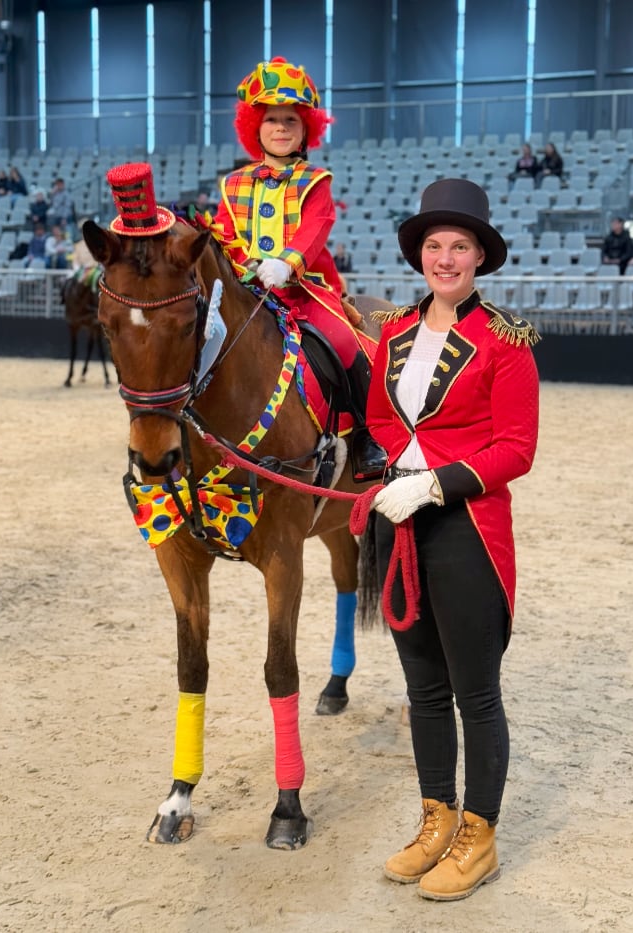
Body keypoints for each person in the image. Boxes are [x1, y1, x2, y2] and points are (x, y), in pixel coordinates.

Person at [366, 178, 540, 902]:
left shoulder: (506, 341)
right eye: (434, 245)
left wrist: (435, 482)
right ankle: (437, 819)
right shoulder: (392, 332)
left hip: (467, 527)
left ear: (479, 257)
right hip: (398, 522)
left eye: (459, 246)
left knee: (476, 693)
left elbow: (517, 448)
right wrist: (392, 473)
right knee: (424, 688)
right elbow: (381, 417)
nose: (445, 258)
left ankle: (480, 836)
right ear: (420, 255)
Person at [208, 55, 385, 481]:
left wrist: (287, 265)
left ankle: (369, 437)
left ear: (307, 129)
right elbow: (224, 234)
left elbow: (316, 227)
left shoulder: (316, 180)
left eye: (291, 119)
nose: (281, 127)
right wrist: (248, 266)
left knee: (346, 342)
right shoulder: (233, 184)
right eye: (272, 119)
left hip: (305, 291)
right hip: (248, 290)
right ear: (256, 127)